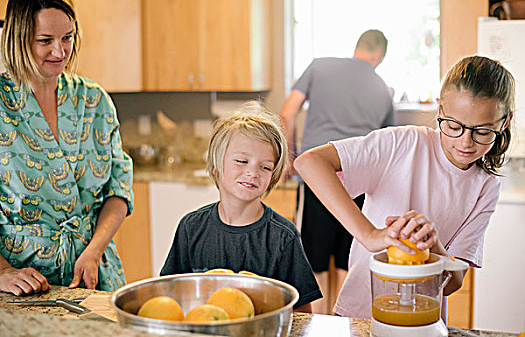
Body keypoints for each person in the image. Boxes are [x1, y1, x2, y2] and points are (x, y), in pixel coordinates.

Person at [294, 55, 514, 318]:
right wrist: (370, 235)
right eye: (454, 126)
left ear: (505, 121)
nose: (466, 142)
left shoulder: (486, 187)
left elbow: (452, 284)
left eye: (482, 132)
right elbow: (310, 162)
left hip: (424, 322)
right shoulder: (402, 144)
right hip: (359, 315)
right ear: (441, 111)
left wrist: (434, 247)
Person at [0, 0, 133, 295]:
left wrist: (95, 250)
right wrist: (4, 272)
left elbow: (119, 190)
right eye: (45, 41)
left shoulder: (93, 100)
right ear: (18, 39)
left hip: (93, 274)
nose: (59, 52)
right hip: (21, 284)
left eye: (67, 38)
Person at [160, 102, 322, 312]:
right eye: (241, 161)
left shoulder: (283, 237)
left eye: (265, 167)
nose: (253, 172)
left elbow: (302, 314)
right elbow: (170, 295)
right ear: (217, 165)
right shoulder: (190, 228)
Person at [279, 29, 394, 313]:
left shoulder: (320, 66)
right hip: (360, 182)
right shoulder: (383, 89)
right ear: (378, 56)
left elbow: (288, 112)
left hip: (319, 177)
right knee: (347, 261)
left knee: (313, 261)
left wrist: (290, 160)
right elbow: (385, 144)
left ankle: (318, 328)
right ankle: (343, 326)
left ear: (358, 47)